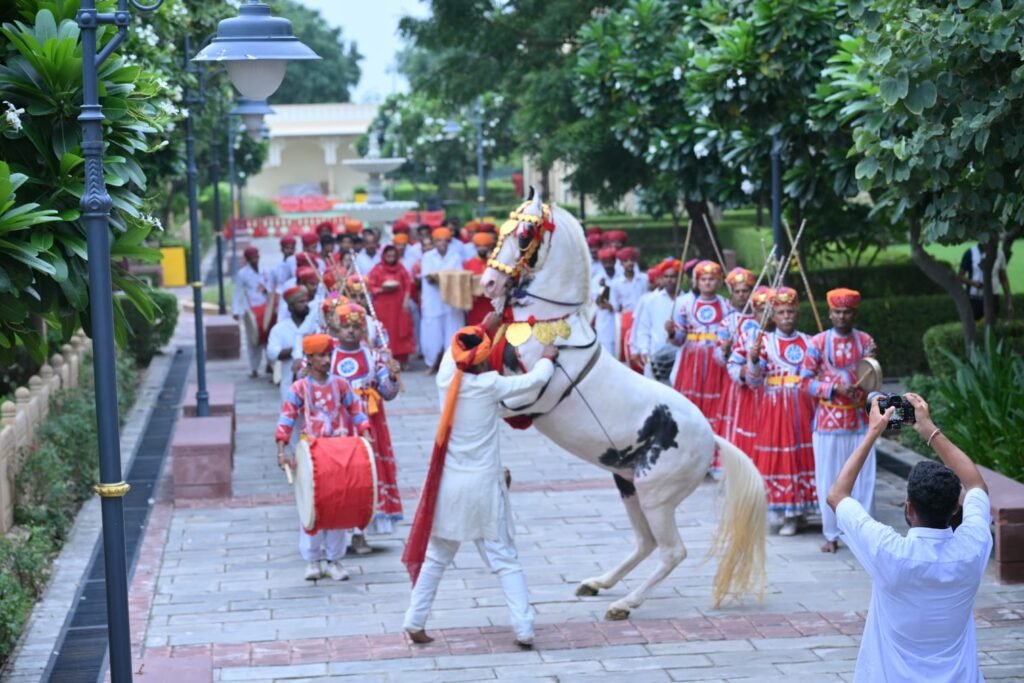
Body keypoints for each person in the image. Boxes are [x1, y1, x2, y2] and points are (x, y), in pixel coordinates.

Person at [402, 321, 559, 648]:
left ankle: (414, 621)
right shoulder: (490, 385)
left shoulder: (447, 379)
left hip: (450, 488)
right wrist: (548, 355)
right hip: (484, 489)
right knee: (505, 560)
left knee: (437, 558)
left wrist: (490, 320)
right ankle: (524, 628)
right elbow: (536, 381)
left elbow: (456, 347)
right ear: (485, 359)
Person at [826, 393, 992, 683]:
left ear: (909, 508)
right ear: (956, 508)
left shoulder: (889, 552)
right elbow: (975, 484)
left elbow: (837, 495)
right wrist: (930, 430)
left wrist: (873, 432)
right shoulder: (973, 548)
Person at [275, 334, 372, 581]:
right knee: (312, 507)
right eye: (321, 355)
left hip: (340, 454)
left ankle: (335, 560)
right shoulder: (298, 388)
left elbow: (356, 410)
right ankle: (313, 560)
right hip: (311, 456)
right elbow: (286, 419)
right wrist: (281, 449)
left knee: (339, 505)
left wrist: (365, 433)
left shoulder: (341, 385)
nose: (326, 360)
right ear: (308, 359)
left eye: (328, 354)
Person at [800, 288, 878, 553]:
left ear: (854, 313)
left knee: (864, 479)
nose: (841, 317)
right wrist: (833, 389)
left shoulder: (866, 341)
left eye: (847, 312)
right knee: (828, 479)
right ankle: (831, 534)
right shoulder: (817, 343)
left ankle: (864, 535)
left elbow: (872, 378)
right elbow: (804, 382)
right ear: (829, 313)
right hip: (828, 424)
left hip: (859, 420)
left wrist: (868, 381)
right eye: (837, 312)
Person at [745, 287, 818, 536]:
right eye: (780, 312)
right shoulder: (764, 342)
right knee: (783, 457)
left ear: (796, 313)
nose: (786, 316)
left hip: (804, 407)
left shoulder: (810, 341)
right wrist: (753, 361)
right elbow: (754, 381)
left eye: (790, 311)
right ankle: (786, 514)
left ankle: (802, 512)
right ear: (773, 316)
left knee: (803, 456)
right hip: (776, 408)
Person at [330, 303, 402, 551]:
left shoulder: (373, 357)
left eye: (355, 326)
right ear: (334, 328)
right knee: (340, 478)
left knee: (366, 477)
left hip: (369, 425)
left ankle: (361, 532)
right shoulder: (328, 356)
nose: (350, 331)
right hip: (337, 428)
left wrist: (392, 377)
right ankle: (337, 534)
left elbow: (388, 393)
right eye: (345, 326)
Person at [667, 260, 732, 438]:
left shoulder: (727, 306)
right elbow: (679, 339)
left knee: (717, 399)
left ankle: (715, 437)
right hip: (692, 360)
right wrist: (672, 333)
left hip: (716, 361)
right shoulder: (686, 306)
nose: (708, 283)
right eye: (703, 279)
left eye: (712, 279)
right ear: (696, 282)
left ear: (719, 282)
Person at [419, 227, 466, 371]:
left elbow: (458, 277)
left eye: (445, 241)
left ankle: (452, 365)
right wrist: (446, 276)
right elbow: (429, 278)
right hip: (433, 301)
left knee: (453, 333)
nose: (442, 244)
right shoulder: (427, 257)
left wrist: (441, 276)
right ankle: (431, 364)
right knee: (432, 335)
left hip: (452, 302)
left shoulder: (455, 256)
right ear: (434, 242)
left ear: (449, 242)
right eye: (438, 241)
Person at [631, 259, 680, 380]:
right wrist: (644, 350)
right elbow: (643, 328)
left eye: (673, 276)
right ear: (661, 278)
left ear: (680, 278)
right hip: (654, 355)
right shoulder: (651, 300)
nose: (669, 280)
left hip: (680, 357)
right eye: (666, 276)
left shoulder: (688, 300)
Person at [366, 245, 416, 365]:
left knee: (402, 330)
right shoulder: (377, 269)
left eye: (393, 256)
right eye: (388, 256)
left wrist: (406, 301)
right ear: (384, 256)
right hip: (383, 306)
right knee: (385, 331)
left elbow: (408, 284)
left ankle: (403, 360)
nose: (391, 258)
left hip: (399, 305)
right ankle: (387, 359)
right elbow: (371, 286)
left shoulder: (401, 268)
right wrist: (383, 290)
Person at [232, 246, 272, 378]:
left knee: (268, 338)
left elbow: (272, 288)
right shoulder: (242, 274)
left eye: (257, 257)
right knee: (253, 340)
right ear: (248, 260)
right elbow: (237, 292)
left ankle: (270, 364)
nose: (255, 260)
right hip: (251, 311)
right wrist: (235, 310)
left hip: (266, 309)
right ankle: (254, 368)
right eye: (252, 258)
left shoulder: (265, 271)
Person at [266, 286, 310, 403]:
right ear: (290, 307)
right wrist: (297, 350)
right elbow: (272, 354)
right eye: (301, 302)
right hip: (289, 385)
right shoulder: (279, 329)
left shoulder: (314, 325)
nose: (306, 304)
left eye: (307, 301)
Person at [959, 240, 1013, 320]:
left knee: (992, 327)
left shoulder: (999, 254)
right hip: (974, 299)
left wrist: (1009, 302)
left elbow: (1003, 279)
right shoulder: (970, 253)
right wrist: (973, 283)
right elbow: (960, 277)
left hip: (993, 298)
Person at [463, 231, 496, 326]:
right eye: (479, 246)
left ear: (489, 246)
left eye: (485, 246)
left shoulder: (495, 264)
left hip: (492, 307)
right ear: (475, 247)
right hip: (475, 307)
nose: (482, 248)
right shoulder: (468, 264)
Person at [591, 247, 619, 355]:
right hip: (605, 320)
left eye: (610, 262)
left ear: (615, 262)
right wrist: (602, 288)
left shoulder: (620, 277)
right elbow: (599, 303)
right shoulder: (597, 280)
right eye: (605, 263)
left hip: (619, 319)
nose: (608, 265)